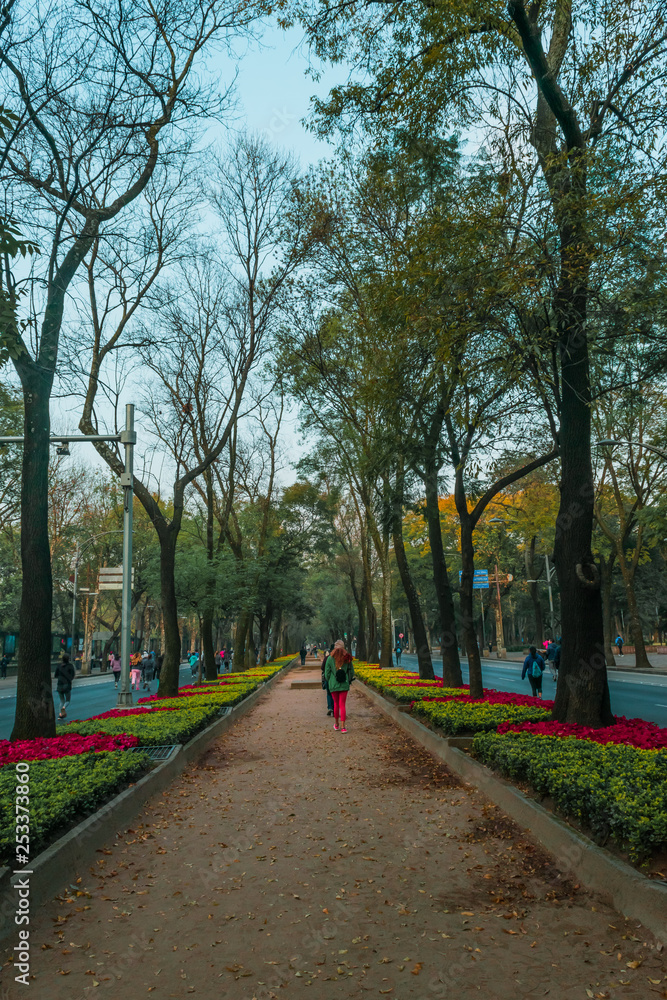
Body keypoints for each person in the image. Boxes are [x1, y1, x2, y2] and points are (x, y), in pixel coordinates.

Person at [324, 639, 355, 732]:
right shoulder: (347, 657)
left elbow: (327, 673)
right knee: (342, 705)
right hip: (344, 684)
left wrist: (330, 680)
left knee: (336, 704)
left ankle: (336, 724)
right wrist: (348, 679)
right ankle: (343, 727)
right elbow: (351, 671)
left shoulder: (330, 658)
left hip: (333, 684)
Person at [54, 652, 75, 719]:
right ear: (68, 659)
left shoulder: (59, 666)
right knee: (67, 700)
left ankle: (60, 714)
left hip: (59, 685)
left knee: (61, 700)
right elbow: (72, 675)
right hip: (67, 685)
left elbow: (55, 675)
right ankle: (64, 707)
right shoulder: (70, 666)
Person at [320, 647, 334, 716]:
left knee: (329, 694)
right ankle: (334, 708)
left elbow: (322, 668)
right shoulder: (338, 658)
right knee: (334, 694)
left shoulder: (327, 658)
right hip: (335, 680)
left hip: (327, 679)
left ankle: (330, 708)